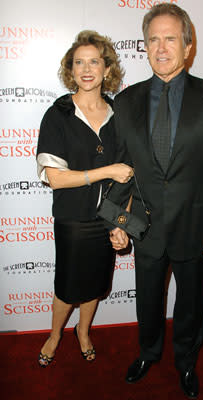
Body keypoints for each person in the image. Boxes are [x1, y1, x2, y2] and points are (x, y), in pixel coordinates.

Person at [108, 4, 203, 398]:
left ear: (188, 45)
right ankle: (148, 352)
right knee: (147, 298)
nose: (161, 48)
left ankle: (186, 361)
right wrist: (115, 219)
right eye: (153, 39)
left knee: (192, 303)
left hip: (198, 228)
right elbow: (121, 166)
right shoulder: (126, 101)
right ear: (145, 46)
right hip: (145, 226)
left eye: (170, 38)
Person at [36, 30, 133, 367]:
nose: (86, 68)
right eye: (79, 62)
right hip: (73, 218)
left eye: (94, 61)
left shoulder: (121, 114)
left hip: (108, 216)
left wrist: (121, 222)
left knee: (94, 284)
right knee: (67, 285)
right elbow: (56, 178)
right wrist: (105, 171)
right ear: (71, 69)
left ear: (107, 69)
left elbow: (129, 177)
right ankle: (54, 334)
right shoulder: (58, 114)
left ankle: (83, 331)